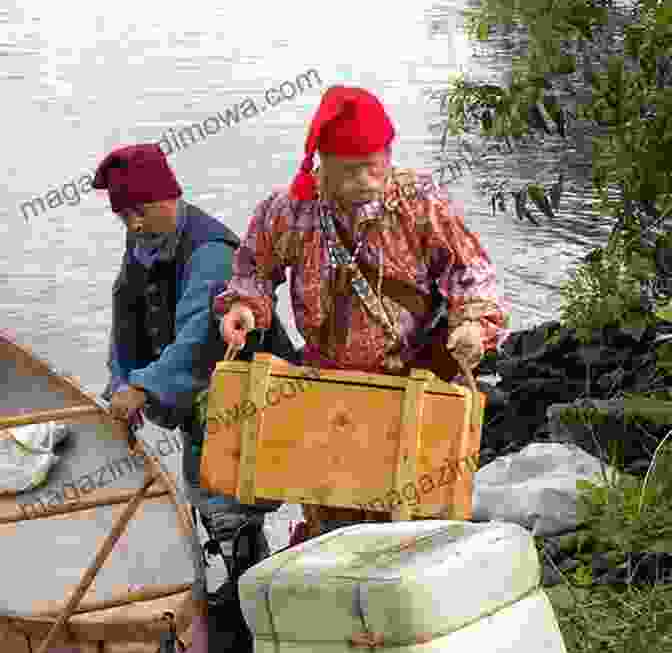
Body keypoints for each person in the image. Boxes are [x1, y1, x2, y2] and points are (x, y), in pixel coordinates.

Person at [213, 85, 510, 543]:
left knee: (412, 512)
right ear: (321, 163)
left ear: (388, 155)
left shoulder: (420, 201)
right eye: (350, 171)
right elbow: (253, 267)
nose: (366, 181)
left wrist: (472, 324)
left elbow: (471, 270)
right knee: (332, 506)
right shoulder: (290, 210)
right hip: (327, 383)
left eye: (375, 166)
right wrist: (244, 308)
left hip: (416, 374)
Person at [94, 142, 297, 547]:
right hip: (198, 393)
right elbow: (126, 317)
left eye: (140, 210)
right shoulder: (143, 242)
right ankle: (237, 573)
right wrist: (120, 382)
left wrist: (143, 387)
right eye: (123, 216)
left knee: (232, 493)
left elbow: (199, 338)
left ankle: (245, 574)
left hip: (247, 387)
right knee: (205, 486)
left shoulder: (211, 252)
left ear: (167, 196)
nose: (133, 224)